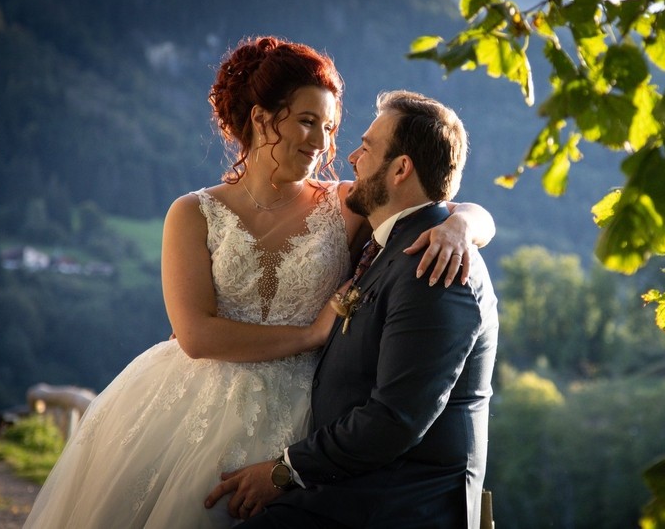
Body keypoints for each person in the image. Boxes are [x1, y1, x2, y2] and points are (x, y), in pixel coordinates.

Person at [23, 38, 494, 529]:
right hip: (193, 401)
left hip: (299, 414)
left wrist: (463, 228)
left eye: (330, 127)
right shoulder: (192, 213)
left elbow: (431, 199)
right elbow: (197, 336)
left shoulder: (346, 205)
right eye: (307, 122)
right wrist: (309, 336)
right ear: (262, 117)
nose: (324, 143)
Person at [205, 90, 499, 528]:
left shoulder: (434, 266)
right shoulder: (392, 245)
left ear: (400, 169)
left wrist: (283, 471)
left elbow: (395, 419)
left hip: (394, 506)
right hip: (349, 492)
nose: (353, 158)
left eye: (367, 147)